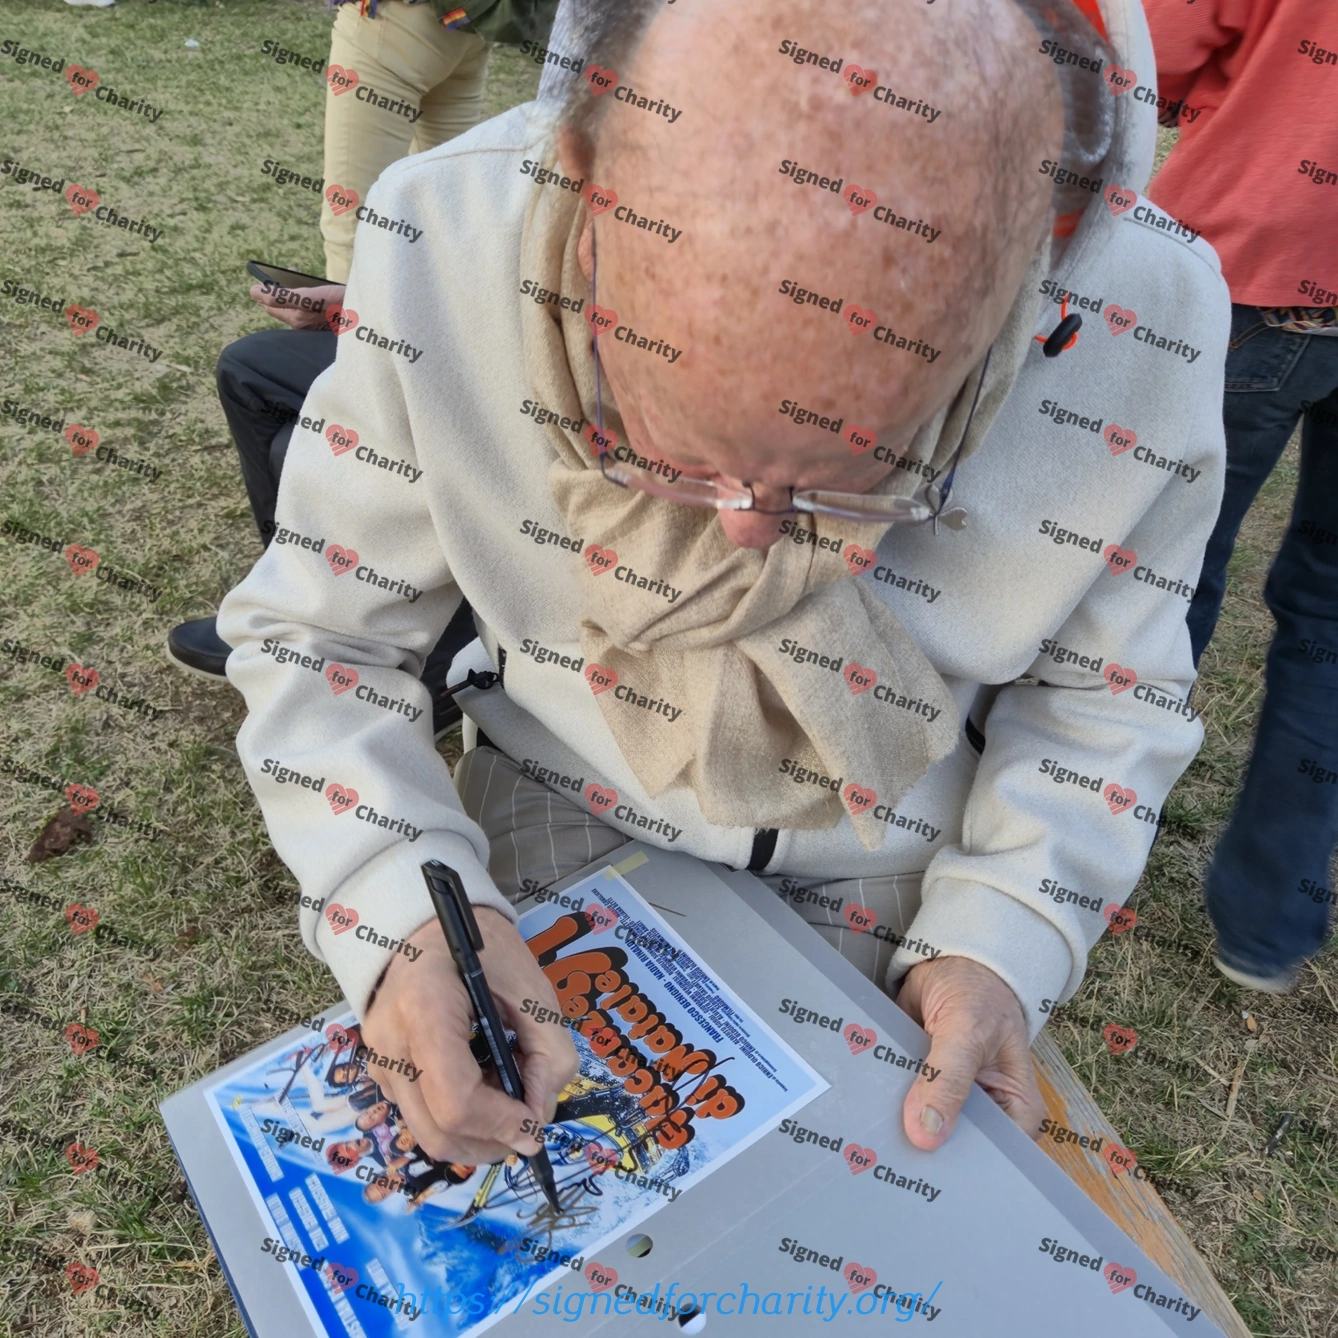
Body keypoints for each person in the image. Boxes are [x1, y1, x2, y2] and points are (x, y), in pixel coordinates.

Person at [218, 0, 1229, 1170]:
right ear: (586, 178)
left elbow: (1108, 697)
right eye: (665, 450)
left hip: (906, 860)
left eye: (862, 478)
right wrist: (396, 905)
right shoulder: (445, 234)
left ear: (1036, 267)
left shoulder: (1147, 317)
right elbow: (318, 636)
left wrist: (1009, 932)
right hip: (556, 792)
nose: (749, 543)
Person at [167, 0, 549, 732]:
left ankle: (376, 641)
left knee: (357, 274)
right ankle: (306, 605)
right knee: (269, 361)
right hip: (464, 35)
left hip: (403, 25)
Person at [1144, 0, 1338, 992]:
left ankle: (1085, 847)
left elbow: (1154, 47)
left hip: (1243, 272)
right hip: (1255, 272)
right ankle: (1268, 927)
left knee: (1161, 576)